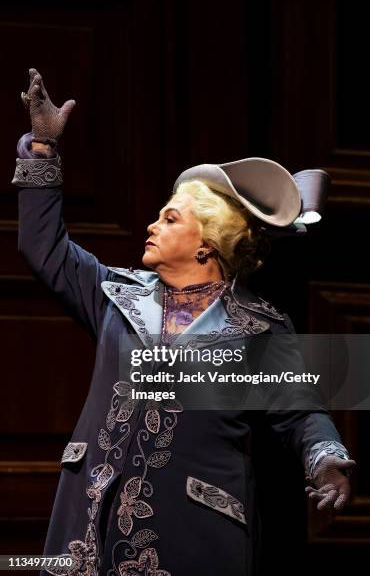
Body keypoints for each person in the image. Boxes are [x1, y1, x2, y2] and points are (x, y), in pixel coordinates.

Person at [12, 69, 355, 576]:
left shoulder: (256, 326)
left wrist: (327, 461)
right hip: (89, 528)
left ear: (206, 243)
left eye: (170, 218)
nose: (152, 224)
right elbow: (42, 247)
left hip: (191, 535)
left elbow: (300, 411)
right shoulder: (116, 296)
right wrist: (42, 148)